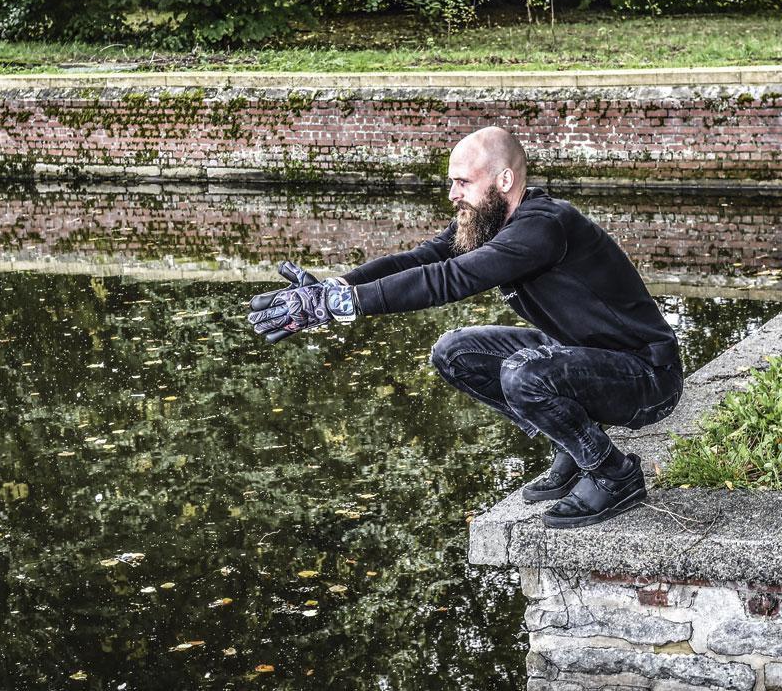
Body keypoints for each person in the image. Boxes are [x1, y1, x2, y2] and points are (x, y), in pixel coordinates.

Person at [248, 126, 683, 529]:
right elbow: (422, 259)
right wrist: (334, 287)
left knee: (523, 374)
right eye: (452, 182)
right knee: (454, 352)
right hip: (580, 356)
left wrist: (339, 304)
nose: (453, 194)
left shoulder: (543, 228)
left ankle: (613, 473)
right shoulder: (491, 221)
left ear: (505, 181)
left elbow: (449, 279)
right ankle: (573, 446)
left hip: (644, 373)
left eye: (463, 182)